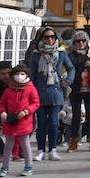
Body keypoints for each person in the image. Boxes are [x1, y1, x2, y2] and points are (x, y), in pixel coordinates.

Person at [25, 26, 72, 162]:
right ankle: (40, 150)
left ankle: (53, 149)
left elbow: (71, 68)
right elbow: (32, 74)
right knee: (42, 123)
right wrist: (30, 91)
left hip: (56, 92)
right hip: (39, 93)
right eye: (47, 37)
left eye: (52, 37)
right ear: (42, 39)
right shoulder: (36, 54)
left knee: (53, 123)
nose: (50, 39)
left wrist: (68, 80)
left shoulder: (61, 53)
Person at [0, 64, 39, 177]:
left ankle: (28, 166)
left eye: (22, 74)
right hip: (10, 121)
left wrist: (26, 111)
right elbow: (2, 104)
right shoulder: (9, 89)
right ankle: (4, 167)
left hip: (24, 121)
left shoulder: (30, 88)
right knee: (8, 144)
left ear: (27, 75)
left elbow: (36, 103)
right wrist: (3, 113)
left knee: (25, 144)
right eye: (17, 74)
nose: (19, 76)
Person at [65, 31, 90, 152]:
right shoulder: (71, 54)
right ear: (74, 43)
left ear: (87, 42)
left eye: (83, 41)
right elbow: (74, 64)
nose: (81, 43)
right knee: (75, 116)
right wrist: (86, 58)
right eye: (78, 41)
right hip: (76, 89)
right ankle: (74, 140)